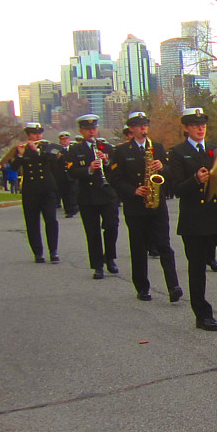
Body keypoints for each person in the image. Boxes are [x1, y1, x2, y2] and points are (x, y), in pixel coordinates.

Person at [165, 107, 217, 332]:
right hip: (194, 217)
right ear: (187, 128)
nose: (201, 128)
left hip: (216, 212)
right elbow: (177, 189)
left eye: (203, 124)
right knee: (197, 266)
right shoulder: (178, 153)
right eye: (195, 125)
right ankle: (202, 314)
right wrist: (196, 180)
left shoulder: (213, 150)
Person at [105, 112, 183, 303]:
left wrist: (162, 167)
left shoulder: (157, 148)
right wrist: (133, 190)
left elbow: (170, 173)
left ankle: (173, 286)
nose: (143, 128)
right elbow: (114, 180)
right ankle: (142, 287)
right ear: (131, 128)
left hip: (158, 204)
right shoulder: (122, 151)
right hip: (135, 207)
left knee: (164, 245)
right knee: (138, 247)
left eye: (145, 125)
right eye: (139, 125)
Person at [65, 114, 120, 280]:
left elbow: (117, 169)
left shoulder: (106, 147)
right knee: (92, 232)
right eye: (88, 129)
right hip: (87, 197)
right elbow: (71, 172)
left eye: (94, 128)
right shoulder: (75, 150)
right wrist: (88, 169)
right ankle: (97, 265)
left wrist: (107, 161)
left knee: (111, 226)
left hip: (107, 194)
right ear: (81, 131)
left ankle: (110, 258)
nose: (92, 132)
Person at [9, 123, 62, 264]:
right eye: (34, 133)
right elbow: (13, 168)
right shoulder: (22, 149)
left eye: (39, 133)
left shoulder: (47, 147)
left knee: (51, 219)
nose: (38, 136)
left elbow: (54, 160)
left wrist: (37, 151)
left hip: (47, 188)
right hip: (30, 190)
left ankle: (53, 251)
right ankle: (38, 252)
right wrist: (20, 155)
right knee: (32, 222)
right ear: (28, 135)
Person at [55, 131, 79, 218]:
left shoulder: (73, 149)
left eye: (66, 139)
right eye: (62, 140)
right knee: (64, 193)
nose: (64, 141)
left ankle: (74, 207)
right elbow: (52, 163)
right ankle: (68, 210)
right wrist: (57, 158)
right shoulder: (57, 150)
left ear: (69, 140)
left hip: (72, 174)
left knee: (73, 191)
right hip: (62, 175)